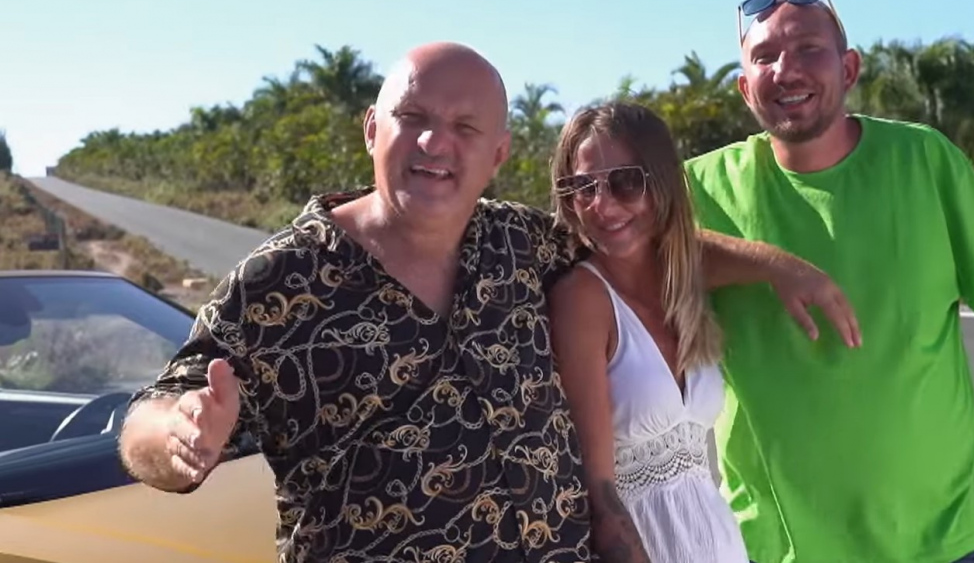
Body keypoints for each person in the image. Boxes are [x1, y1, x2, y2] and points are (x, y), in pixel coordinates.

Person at [116, 41, 861, 563]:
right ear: (373, 129)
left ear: (498, 154)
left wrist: (777, 267)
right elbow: (154, 412)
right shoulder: (283, 278)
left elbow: (641, 241)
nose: (435, 143)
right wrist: (179, 438)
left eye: (465, 127)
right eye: (414, 118)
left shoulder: (518, 242)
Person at [682, 0, 974, 563]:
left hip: (940, 540)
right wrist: (768, 262)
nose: (786, 70)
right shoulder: (700, 188)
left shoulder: (924, 160)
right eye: (765, 57)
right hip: (780, 546)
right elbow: (629, 256)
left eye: (808, 49)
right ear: (746, 88)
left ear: (849, 68)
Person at [547, 102, 857, 563]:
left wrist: (784, 267)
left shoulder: (680, 282)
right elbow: (598, 488)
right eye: (582, 187)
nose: (602, 205)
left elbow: (693, 247)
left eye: (625, 182)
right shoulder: (583, 299)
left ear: (661, 183)